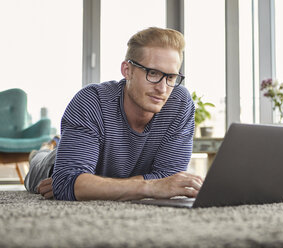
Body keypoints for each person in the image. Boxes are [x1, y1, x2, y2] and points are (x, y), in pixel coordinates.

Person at [24, 27, 203, 201]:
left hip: (101, 171)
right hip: (52, 164)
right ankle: (41, 153)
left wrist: (90, 185)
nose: (162, 88)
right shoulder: (91, 100)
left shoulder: (179, 102)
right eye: (153, 73)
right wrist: (150, 186)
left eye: (170, 77)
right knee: (41, 163)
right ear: (127, 70)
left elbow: (168, 177)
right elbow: (66, 184)